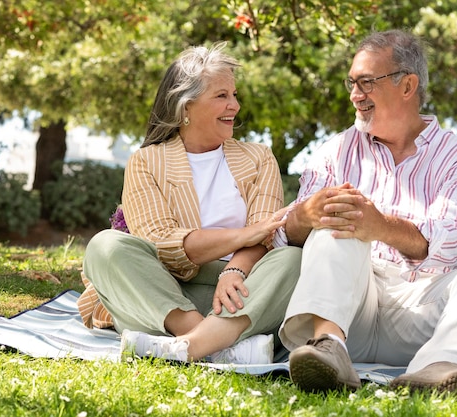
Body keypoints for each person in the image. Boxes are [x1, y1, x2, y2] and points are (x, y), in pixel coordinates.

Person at [274, 29, 457, 395]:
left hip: (420, 312)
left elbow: (454, 242)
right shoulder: (334, 151)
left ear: (407, 86)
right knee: (335, 227)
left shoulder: (456, 157)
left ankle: (441, 370)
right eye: (352, 83)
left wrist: (381, 226)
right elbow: (281, 241)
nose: (356, 95)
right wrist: (303, 217)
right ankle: (327, 350)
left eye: (367, 82)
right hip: (349, 313)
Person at [78, 42, 301, 365]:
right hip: (166, 292)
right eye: (221, 96)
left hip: (241, 292)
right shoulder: (146, 161)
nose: (235, 105)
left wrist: (234, 270)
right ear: (185, 106)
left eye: (234, 95)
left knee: (291, 260)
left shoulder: (258, 157)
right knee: (105, 246)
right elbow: (160, 241)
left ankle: (185, 347)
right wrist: (243, 234)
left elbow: (266, 235)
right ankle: (215, 345)